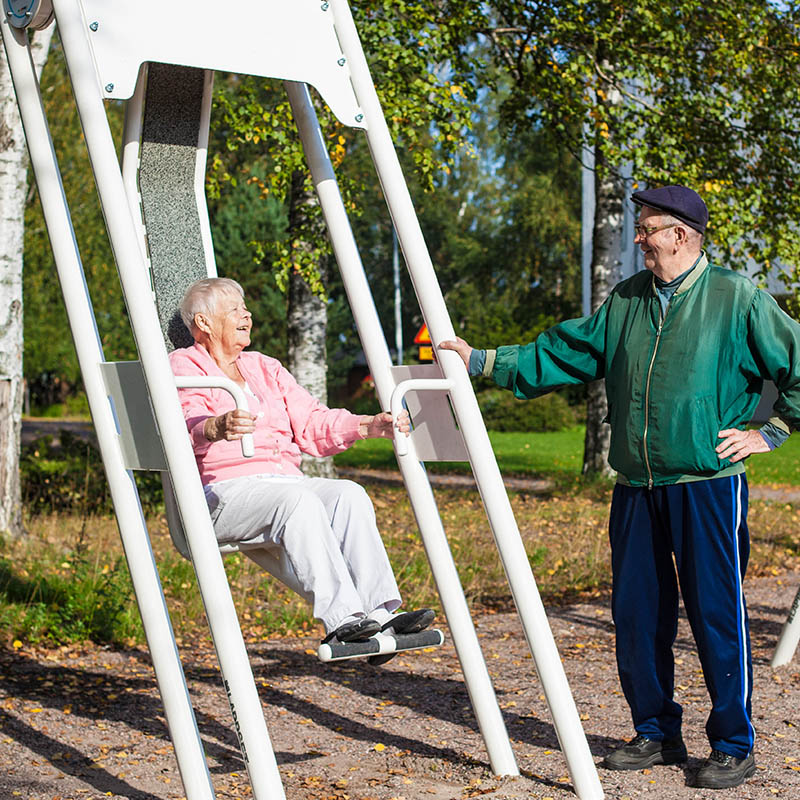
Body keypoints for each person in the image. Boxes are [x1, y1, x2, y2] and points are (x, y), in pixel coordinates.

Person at [440, 185, 800, 789]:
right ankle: (656, 732)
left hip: (706, 484)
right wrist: (485, 362)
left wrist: (771, 429)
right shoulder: (629, 299)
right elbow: (571, 351)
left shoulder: (736, 298)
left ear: (681, 234)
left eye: (648, 229)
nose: (639, 239)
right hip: (635, 484)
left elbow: (794, 370)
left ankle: (734, 743)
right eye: (638, 227)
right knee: (636, 615)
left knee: (717, 614)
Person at [170, 276, 434, 654]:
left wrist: (367, 425)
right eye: (234, 310)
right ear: (204, 323)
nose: (247, 316)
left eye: (246, 308)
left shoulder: (264, 367)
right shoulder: (183, 365)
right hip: (224, 492)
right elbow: (182, 421)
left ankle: (379, 612)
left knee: (349, 494)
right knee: (297, 503)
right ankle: (343, 619)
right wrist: (216, 426)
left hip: (283, 480)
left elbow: (311, 423)